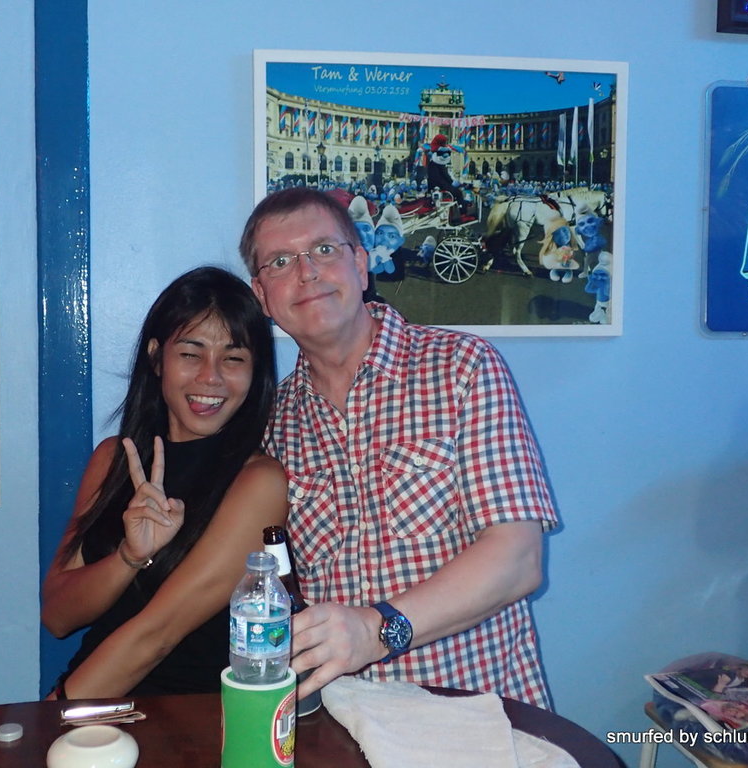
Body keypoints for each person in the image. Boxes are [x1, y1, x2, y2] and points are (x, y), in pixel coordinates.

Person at [238, 187, 558, 709]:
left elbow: (518, 559)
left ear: (362, 265)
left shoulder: (463, 367)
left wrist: (377, 629)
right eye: (280, 262)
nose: (307, 273)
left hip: (475, 714)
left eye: (324, 250)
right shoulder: (271, 424)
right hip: (344, 721)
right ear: (262, 295)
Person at [41, 266, 288, 699]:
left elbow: (159, 634)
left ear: (255, 372)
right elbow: (58, 616)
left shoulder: (259, 482)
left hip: (189, 716)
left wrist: (58, 714)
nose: (210, 377)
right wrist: (129, 557)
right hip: (95, 698)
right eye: (191, 354)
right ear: (157, 358)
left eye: (233, 358)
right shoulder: (113, 458)